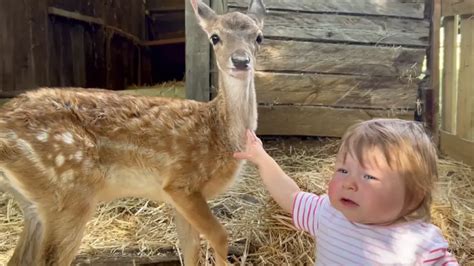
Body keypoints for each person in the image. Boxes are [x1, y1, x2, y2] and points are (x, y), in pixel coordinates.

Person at [234, 118, 459, 265]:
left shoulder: (422, 246)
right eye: (343, 170)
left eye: (368, 176)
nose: (348, 183)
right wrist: (261, 158)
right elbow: (290, 196)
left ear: (416, 192)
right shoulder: (329, 214)